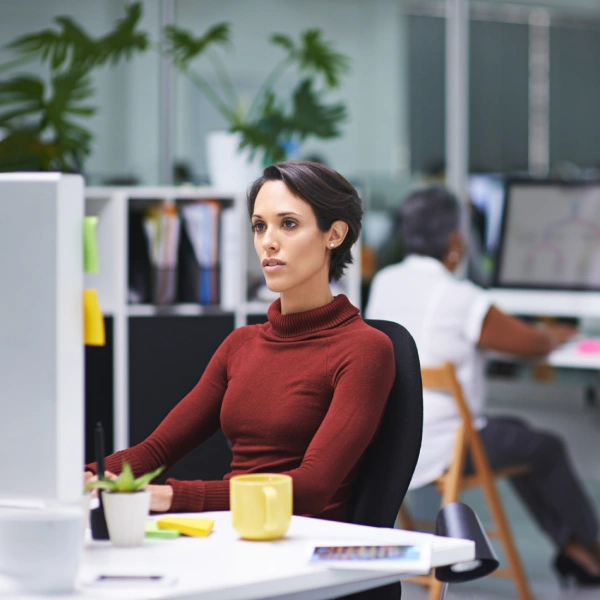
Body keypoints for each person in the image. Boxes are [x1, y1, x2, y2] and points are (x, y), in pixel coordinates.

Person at [85, 160, 396, 524]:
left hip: (306, 544)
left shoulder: (364, 349)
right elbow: (156, 450)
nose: (268, 242)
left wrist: (173, 496)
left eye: (288, 224)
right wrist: (87, 476)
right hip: (235, 533)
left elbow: (313, 487)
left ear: (335, 234)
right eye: (259, 226)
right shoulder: (241, 345)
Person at [366, 185, 600, 587]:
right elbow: (529, 345)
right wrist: (553, 336)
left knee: (522, 436)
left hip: (389, 444)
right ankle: (590, 549)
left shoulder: (387, 280)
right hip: (445, 448)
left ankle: (576, 550)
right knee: (547, 447)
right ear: (455, 241)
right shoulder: (462, 297)